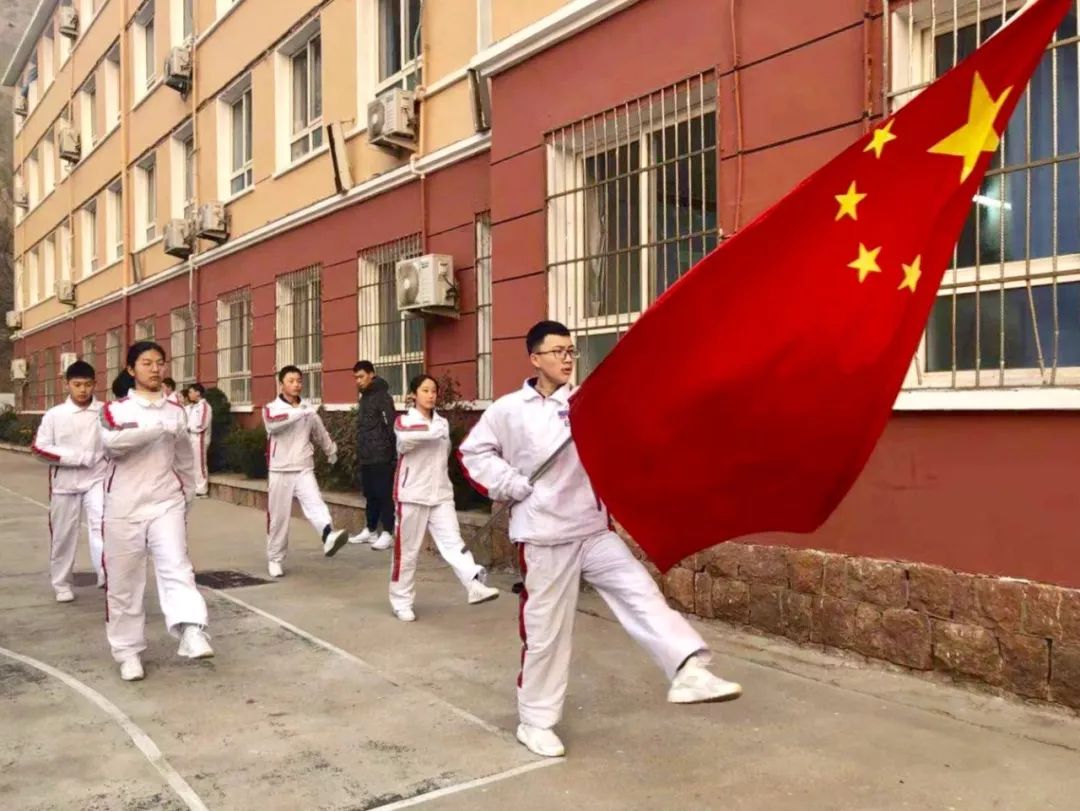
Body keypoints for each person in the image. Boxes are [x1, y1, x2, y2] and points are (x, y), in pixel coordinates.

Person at [458, 320, 742, 759]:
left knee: (640, 592)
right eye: (557, 351)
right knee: (547, 634)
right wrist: (507, 482)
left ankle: (689, 669)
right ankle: (535, 720)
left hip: (591, 530)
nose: (567, 358)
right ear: (535, 358)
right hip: (544, 536)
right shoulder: (508, 410)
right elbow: (472, 453)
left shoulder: (589, 403)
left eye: (571, 350)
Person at [99, 342, 213, 682]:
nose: (154, 369)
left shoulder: (176, 411)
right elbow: (112, 444)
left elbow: (184, 458)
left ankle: (191, 629)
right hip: (123, 506)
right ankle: (128, 651)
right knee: (124, 583)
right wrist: (152, 430)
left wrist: (188, 493)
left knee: (177, 566)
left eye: (159, 363)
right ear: (131, 370)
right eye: (146, 363)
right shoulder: (114, 410)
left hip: (166, 502)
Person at [389, 374, 500, 622]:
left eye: (434, 391)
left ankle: (473, 585)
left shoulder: (442, 423)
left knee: (454, 543)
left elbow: (443, 449)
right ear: (413, 395)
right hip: (411, 495)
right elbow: (406, 440)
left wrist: (435, 430)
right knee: (407, 552)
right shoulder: (403, 421)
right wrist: (432, 431)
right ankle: (401, 600)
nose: (431, 395)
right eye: (425, 390)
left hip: (440, 495)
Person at [263, 365, 349, 577]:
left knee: (315, 503)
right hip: (280, 469)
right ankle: (275, 558)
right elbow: (274, 425)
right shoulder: (272, 408)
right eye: (291, 381)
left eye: (299, 381)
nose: (296, 385)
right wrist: (299, 412)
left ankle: (328, 535)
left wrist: (331, 451)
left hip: (303, 467)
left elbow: (319, 432)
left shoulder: (308, 410)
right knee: (278, 518)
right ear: (281, 383)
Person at [31, 360, 107, 600]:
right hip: (64, 485)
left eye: (87, 384)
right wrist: (77, 457)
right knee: (63, 536)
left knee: (102, 526)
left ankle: (106, 573)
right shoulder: (55, 415)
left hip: (98, 479)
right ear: (67, 385)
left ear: (95, 384)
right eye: (77, 385)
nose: (83, 390)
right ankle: (62, 584)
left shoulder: (105, 411)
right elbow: (39, 448)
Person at [348, 361, 396, 551]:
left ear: (372, 374)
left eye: (361, 376)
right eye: (356, 378)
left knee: (384, 494)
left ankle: (388, 533)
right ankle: (370, 529)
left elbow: (390, 425)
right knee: (370, 494)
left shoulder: (382, 397)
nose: (358, 381)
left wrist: (389, 452)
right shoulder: (365, 398)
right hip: (366, 454)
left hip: (381, 455)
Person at [185, 383, 212, 497]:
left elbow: (202, 424)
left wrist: (190, 428)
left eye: (191, 392)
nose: (189, 394)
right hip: (191, 437)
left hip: (199, 439)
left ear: (198, 393)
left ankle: (202, 490)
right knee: (192, 463)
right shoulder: (193, 407)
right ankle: (195, 487)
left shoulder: (205, 406)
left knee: (200, 464)